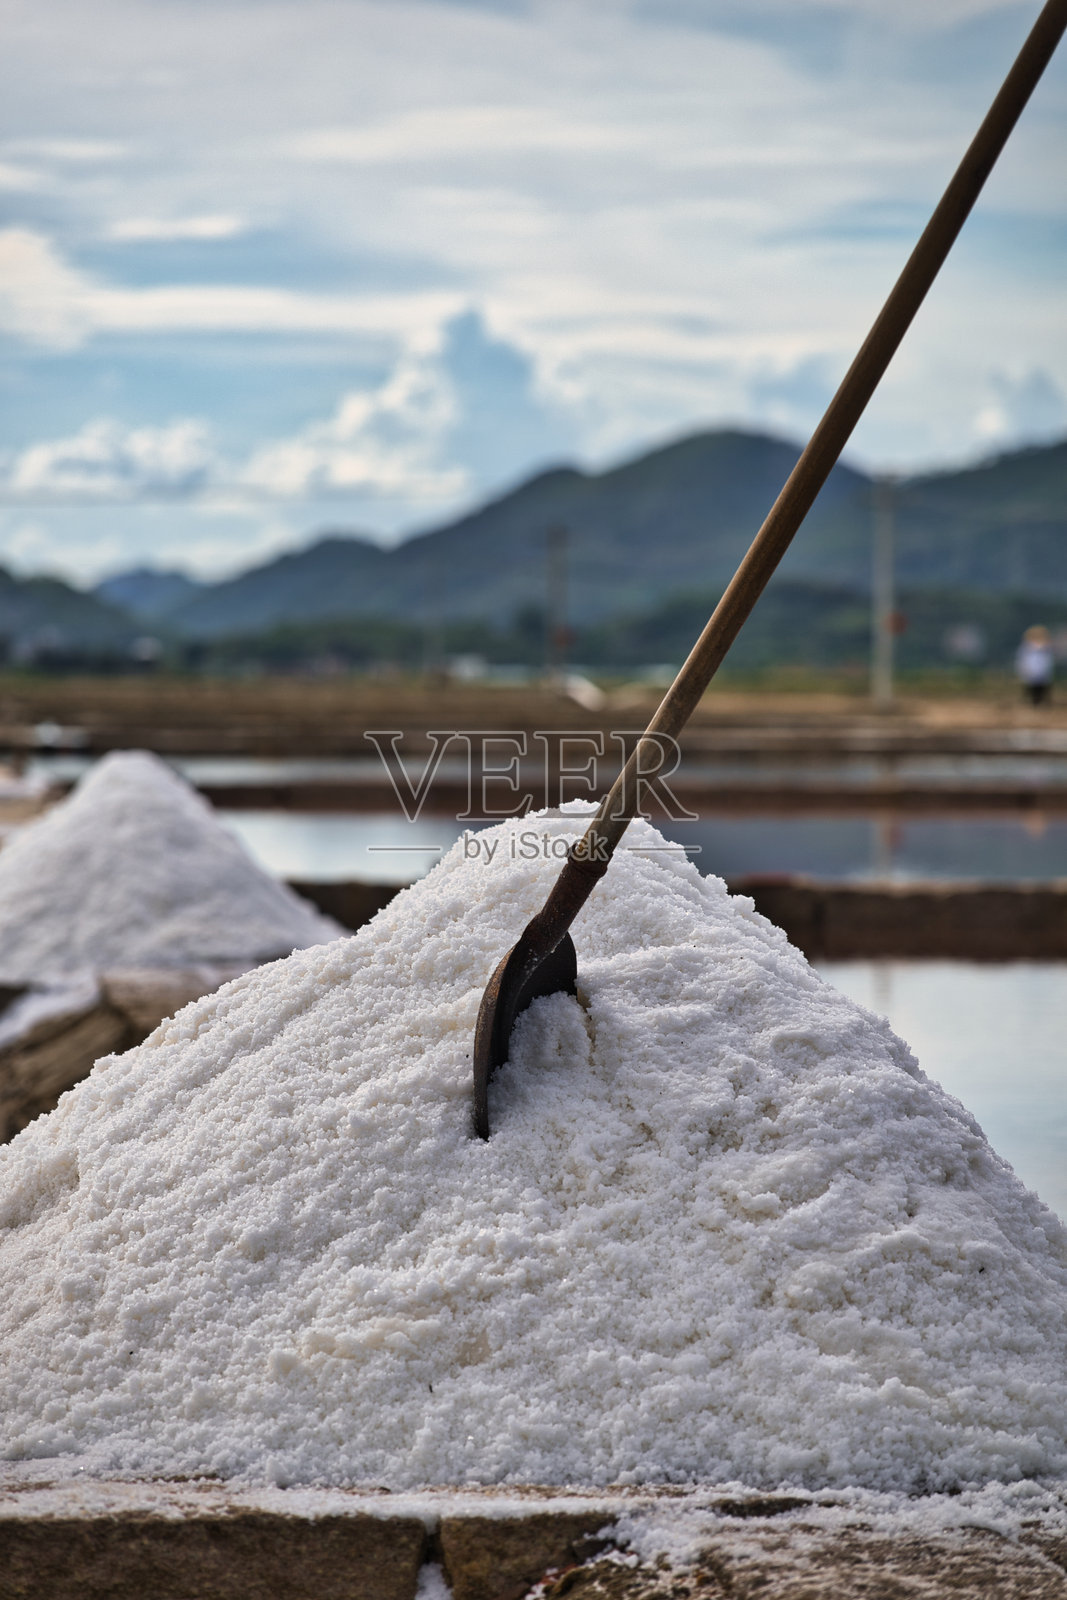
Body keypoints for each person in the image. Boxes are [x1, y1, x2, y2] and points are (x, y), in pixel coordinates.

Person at [1015, 625, 1054, 706]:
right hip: (1032, 671)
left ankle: (1041, 704)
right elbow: (1023, 660)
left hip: (1043, 672)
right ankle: (1034, 704)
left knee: (1042, 689)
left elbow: (1048, 660)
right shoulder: (1026, 647)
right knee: (1032, 690)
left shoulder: (1046, 647)